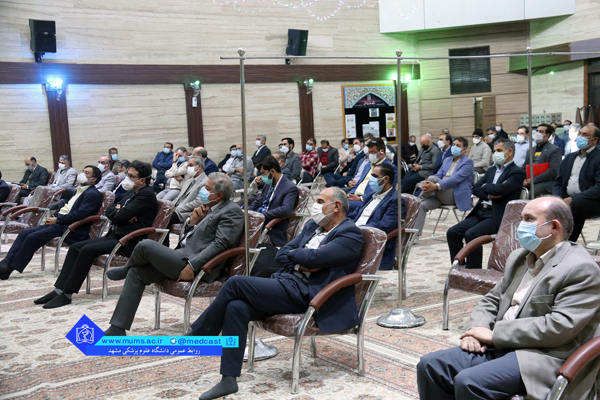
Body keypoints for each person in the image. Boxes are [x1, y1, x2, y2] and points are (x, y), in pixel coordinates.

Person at [186, 187, 363, 400]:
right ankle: (228, 379)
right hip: (285, 282)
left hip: (309, 294)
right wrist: (303, 260)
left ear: (336, 206)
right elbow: (282, 255)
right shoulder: (312, 226)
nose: (315, 206)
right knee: (236, 307)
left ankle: (200, 336)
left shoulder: (350, 233)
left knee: (235, 283)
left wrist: (303, 257)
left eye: (319, 201)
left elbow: (314, 259)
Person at [418, 196, 600, 400]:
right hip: (505, 343)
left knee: (469, 382)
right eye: (521, 218)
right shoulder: (519, 257)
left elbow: (559, 326)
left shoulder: (580, 268)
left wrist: (495, 335)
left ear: (554, 227)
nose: (520, 226)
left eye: (529, 219)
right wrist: (477, 330)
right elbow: (492, 299)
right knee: (430, 365)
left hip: (545, 354)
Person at [102, 172, 244, 336]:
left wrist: (193, 265)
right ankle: (117, 328)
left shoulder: (231, 211)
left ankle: (126, 268)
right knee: (137, 273)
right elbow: (193, 237)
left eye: (207, 188)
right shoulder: (210, 207)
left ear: (219, 195)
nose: (202, 191)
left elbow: (221, 244)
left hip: (195, 264)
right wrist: (192, 222)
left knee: (145, 245)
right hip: (182, 256)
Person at [34, 161, 158, 309]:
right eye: (127, 174)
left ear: (142, 180)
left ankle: (67, 294)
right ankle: (58, 290)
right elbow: (111, 210)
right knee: (75, 247)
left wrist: (120, 212)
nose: (127, 178)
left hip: (128, 241)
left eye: (131, 176)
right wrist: (119, 211)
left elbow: (120, 215)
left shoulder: (146, 195)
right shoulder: (132, 191)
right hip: (115, 235)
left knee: (86, 251)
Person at [0, 166, 103, 280]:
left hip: (70, 227)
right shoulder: (79, 190)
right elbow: (66, 208)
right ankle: (6, 261)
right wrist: (54, 217)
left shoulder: (92, 194)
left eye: (87, 173)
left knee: (32, 237)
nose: (82, 174)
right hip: (60, 222)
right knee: (24, 233)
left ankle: (7, 270)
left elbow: (79, 215)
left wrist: (57, 220)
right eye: (83, 171)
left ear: (93, 179)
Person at [447, 140, 526, 269]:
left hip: (497, 215)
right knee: (453, 232)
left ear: (510, 152)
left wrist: (486, 186)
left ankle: (473, 270)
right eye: (495, 151)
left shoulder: (517, 172)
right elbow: (475, 188)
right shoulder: (491, 170)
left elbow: (501, 190)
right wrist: (489, 194)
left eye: (499, 151)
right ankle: (459, 268)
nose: (495, 154)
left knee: (471, 234)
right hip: (480, 211)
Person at [348, 163, 404, 270]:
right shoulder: (370, 195)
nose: (371, 180)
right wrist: (343, 224)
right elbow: (353, 215)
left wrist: (357, 229)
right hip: (353, 234)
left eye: (374, 176)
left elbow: (384, 226)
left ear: (385, 179)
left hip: (370, 240)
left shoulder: (396, 200)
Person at [415, 137, 474, 236]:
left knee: (432, 179)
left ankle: (416, 202)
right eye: (454, 145)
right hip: (440, 194)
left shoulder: (468, 162)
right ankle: (415, 236)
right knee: (422, 205)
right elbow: (438, 175)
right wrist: (430, 184)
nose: (455, 147)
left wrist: (436, 185)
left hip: (454, 195)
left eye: (458, 146)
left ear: (464, 149)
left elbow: (455, 179)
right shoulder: (447, 160)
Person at [552, 125, 600, 242]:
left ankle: (567, 242)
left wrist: (572, 199)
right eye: (580, 133)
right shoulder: (569, 158)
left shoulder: (598, 158)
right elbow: (558, 182)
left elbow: (598, 188)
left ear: (594, 140)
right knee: (545, 203)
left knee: (575, 205)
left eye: (585, 135)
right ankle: (546, 240)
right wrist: (558, 198)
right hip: (566, 198)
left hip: (592, 201)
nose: (580, 137)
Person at [249, 155, 299, 247]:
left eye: (263, 173)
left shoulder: (290, 188)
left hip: (272, 227)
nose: (262, 177)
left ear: (272, 171)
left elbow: (286, 209)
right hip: (257, 221)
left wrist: (261, 216)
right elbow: (258, 202)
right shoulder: (268, 184)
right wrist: (247, 212)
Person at [163, 156, 208, 247]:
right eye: (187, 166)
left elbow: (198, 202)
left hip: (186, 212)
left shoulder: (205, 182)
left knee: (165, 218)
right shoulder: (189, 180)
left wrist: (178, 208)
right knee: (160, 213)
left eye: (190, 165)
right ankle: (160, 245)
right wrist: (171, 206)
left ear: (199, 166)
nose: (188, 168)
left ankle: (165, 246)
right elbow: (179, 197)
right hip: (176, 209)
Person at [346, 138, 397, 212]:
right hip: (355, 196)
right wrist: (350, 194)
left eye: (373, 152)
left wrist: (361, 198)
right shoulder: (367, 165)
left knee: (338, 205)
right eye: (369, 152)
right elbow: (358, 184)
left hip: (369, 200)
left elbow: (385, 191)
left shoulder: (390, 168)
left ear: (382, 151)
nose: (371, 155)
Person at [522, 123, 562, 198]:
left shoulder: (554, 150)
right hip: (530, 180)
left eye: (541, 131)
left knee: (531, 193)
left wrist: (533, 180)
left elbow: (553, 171)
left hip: (546, 182)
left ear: (547, 135)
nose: (537, 133)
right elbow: (524, 167)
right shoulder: (531, 150)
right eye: (537, 131)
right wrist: (524, 180)